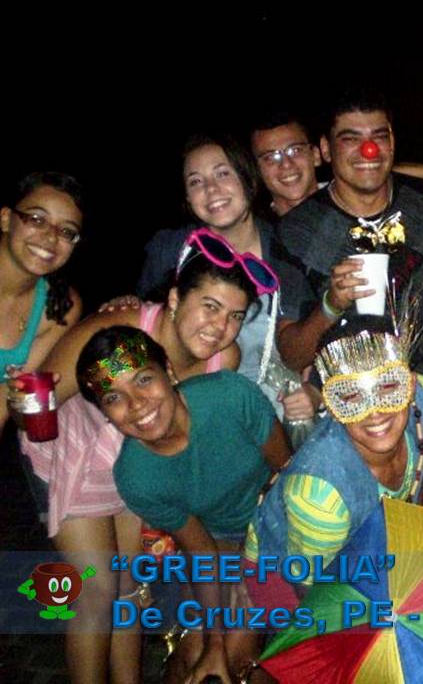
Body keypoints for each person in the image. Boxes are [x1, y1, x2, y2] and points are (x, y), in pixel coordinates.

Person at [19, 243, 258, 683]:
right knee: (96, 590)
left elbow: (197, 429)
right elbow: (41, 400)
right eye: (209, 306)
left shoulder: (223, 359)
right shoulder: (126, 337)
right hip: (74, 450)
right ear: (174, 298)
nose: (219, 327)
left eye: (235, 316)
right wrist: (26, 405)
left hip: (134, 460)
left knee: (129, 587)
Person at [77, 327, 290, 684]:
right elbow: (200, 548)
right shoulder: (135, 476)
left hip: (281, 525)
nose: (136, 403)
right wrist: (213, 641)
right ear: (105, 414)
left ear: (170, 372)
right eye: (113, 397)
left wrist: (256, 564)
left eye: (144, 379)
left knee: (239, 650)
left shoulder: (229, 396)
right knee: (195, 654)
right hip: (218, 540)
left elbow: (288, 477)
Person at [246, 314, 423, 610]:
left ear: (411, 384)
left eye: (387, 386)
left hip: (368, 546)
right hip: (286, 575)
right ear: (332, 407)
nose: (374, 412)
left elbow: (420, 467)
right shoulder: (320, 496)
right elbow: (310, 590)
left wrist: (409, 538)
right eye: (351, 395)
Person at [275, 89, 423, 390]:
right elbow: (292, 357)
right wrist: (330, 305)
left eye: (380, 136)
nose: (369, 150)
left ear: (392, 142)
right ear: (326, 149)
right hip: (353, 401)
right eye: (350, 139)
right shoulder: (297, 231)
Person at [134, 133, 314, 422]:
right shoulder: (169, 251)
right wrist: (110, 387)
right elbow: (131, 336)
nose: (211, 189)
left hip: (272, 409)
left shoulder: (288, 249)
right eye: (195, 181)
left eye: (222, 173)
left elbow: (315, 331)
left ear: (248, 178)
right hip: (170, 409)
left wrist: (314, 388)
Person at [250, 110, 423, 223]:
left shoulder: (346, 198)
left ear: (316, 154)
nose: (286, 165)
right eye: (271, 157)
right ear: (256, 169)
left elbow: (374, 172)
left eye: (295, 150)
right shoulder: (260, 230)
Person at [1, 172, 84, 431]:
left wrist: (26, 397)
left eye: (67, 231)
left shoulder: (58, 308)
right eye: (37, 219)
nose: (50, 237)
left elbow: (3, 406)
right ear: (6, 219)